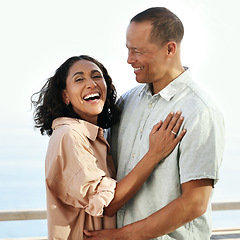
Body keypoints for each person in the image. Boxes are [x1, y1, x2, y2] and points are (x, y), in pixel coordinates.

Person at [84, 7, 225, 240]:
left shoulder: (200, 111)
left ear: (170, 48)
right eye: (128, 50)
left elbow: (195, 203)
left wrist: (120, 236)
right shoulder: (126, 102)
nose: (129, 60)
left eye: (138, 51)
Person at [31, 54, 186, 239]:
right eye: (79, 79)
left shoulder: (97, 136)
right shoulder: (69, 135)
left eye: (96, 76)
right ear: (65, 96)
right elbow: (109, 204)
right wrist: (154, 154)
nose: (91, 84)